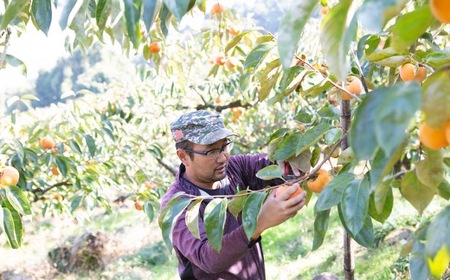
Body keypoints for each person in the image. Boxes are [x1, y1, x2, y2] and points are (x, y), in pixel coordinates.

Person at [161, 110, 306, 280]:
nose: (222, 158)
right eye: (211, 151)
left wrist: (288, 161)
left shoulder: (234, 168)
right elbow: (207, 258)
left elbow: (272, 166)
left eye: (224, 146)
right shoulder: (177, 204)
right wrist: (258, 223)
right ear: (184, 156)